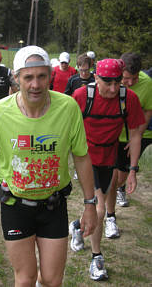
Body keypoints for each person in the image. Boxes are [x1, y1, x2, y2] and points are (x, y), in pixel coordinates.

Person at [0, 45, 97, 287]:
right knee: (25, 278)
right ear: (16, 78)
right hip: (15, 206)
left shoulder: (68, 108)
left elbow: (81, 157)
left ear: (50, 76)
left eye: (42, 76)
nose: (35, 84)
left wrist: (90, 204)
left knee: (52, 280)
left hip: (53, 205)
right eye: (28, 77)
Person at [70, 58, 145, 281]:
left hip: (109, 157)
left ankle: (77, 226)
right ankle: (97, 258)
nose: (113, 89)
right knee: (99, 208)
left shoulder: (128, 98)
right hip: (86, 158)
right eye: (108, 83)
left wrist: (132, 170)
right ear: (95, 78)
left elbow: (135, 134)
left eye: (118, 83)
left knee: (95, 208)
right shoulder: (82, 97)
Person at [104, 53, 152, 238]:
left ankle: (119, 190)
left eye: (134, 79)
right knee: (110, 178)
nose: (130, 83)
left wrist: (136, 137)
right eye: (126, 79)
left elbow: (147, 110)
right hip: (111, 136)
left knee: (119, 179)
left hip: (130, 137)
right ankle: (110, 216)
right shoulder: (111, 81)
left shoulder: (147, 84)